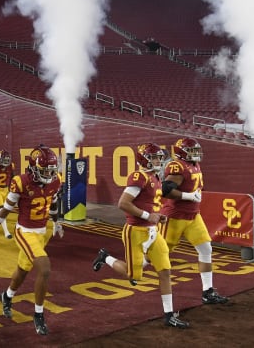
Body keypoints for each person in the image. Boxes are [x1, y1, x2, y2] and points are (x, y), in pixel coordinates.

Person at [92, 143, 189, 328]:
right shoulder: (139, 176)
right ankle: (106, 258)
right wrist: (148, 216)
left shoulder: (155, 177)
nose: (159, 160)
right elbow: (123, 203)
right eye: (154, 157)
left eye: (160, 157)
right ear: (144, 159)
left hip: (153, 232)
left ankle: (169, 315)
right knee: (133, 275)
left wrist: (157, 216)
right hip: (135, 232)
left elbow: (149, 204)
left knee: (165, 271)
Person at [0, 146, 63, 336]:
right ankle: (38, 314)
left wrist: (56, 222)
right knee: (45, 268)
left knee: (22, 271)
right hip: (25, 231)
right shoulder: (21, 182)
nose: (49, 174)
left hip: (42, 232)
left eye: (51, 170)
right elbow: (6, 209)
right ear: (33, 168)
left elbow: (54, 201)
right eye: (45, 170)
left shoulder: (55, 181)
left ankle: (7, 296)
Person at [160, 137, 229, 305]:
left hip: (193, 215)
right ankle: (127, 268)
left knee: (206, 249)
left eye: (197, 150)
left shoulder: (193, 164)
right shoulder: (178, 166)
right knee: (157, 255)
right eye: (192, 151)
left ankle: (208, 291)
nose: (196, 154)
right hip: (174, 217)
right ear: (182, 152)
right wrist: (188, 196)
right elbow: (166, 189)